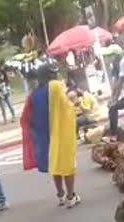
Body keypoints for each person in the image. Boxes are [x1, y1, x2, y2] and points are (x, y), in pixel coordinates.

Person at [21, 58, 80, 208]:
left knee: (54, 165)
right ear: (49, 75)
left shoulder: (33, 94)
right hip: (59, 132)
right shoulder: (55, 87)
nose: (56, 76)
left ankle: (60, 195)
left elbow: (27, 117)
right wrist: (73, 103)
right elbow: (65, 107)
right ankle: (70, 196)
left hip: (43, 136)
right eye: (54, 73)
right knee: (67, 164)